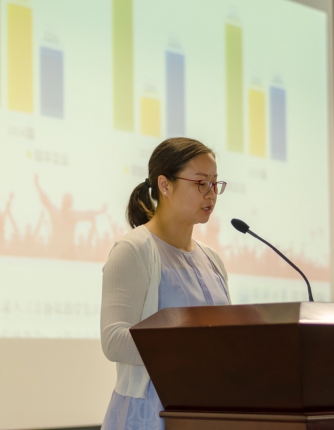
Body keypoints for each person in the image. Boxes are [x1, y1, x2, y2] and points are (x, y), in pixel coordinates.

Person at [101, 137, 229, 430]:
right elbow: (114, 340)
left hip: (209, 410)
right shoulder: (135, 250)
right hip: (151, 412)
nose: (211, 193)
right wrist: (193, 349)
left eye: (215, 184)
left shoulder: (212, 260)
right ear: (165, 185)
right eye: (201, 183)